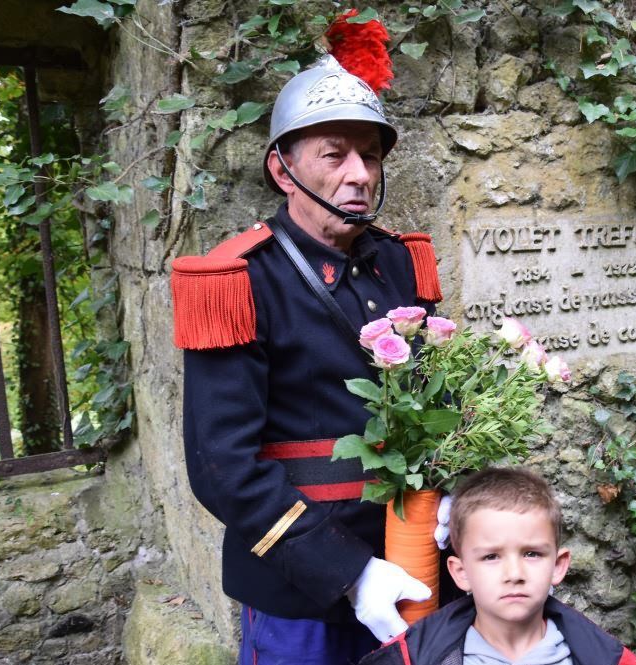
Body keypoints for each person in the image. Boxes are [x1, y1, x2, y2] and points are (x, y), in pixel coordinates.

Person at [170, 13, 446, 665]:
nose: (359, 174)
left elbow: (433, 404)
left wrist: (450, 491)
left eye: (370, 154)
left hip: (409, 569)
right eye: (335, 154)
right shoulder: (238, 279)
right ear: (281, 168)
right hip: (299, 590)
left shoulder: (401, 262)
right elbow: (222, 468)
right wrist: (349, 573)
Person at [359, 468, 636, 665]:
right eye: (491, 557)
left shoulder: (606, 659)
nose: (514, 575)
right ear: (461, 572)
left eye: (531, 554)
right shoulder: (414, 658)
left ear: (558, 566)